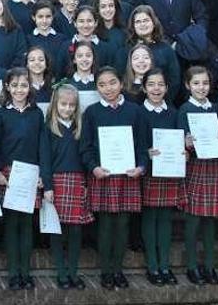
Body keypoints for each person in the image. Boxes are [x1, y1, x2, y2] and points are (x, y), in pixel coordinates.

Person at [80, 66, 147, 291]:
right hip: (103, 176)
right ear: (96, 88)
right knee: (106, 224)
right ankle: (106, 271)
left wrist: (141, 166)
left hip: (128, 175)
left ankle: (118, 270)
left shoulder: (135, 111)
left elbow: (142, 144)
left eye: (112, 82)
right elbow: (86, 147)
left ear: (121, 83)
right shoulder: (91, 112)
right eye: (101, 84)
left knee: (123, 224)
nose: (107, 88)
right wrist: (93, 167)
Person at [0, 68, 50, 290]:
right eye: (14, 85)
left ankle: (25, 272)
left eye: (24, 85)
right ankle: (13, 272)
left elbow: (43, 147)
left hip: (30, 174)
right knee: (11, 224)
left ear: (30, 87)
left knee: (26, 224)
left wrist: (43, 175)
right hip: (8, 174)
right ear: (7, 87)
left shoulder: (37, 114)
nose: (19, 90)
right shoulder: (0, 114)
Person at [177, 65, 218, 286]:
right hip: (194, 167)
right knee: (193, 219)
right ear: (188, 85)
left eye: (205, 83)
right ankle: (192, 266)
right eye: (196, 83)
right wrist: (185, 144)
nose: (201, 87)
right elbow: (179, 142)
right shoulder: (184, 110)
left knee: (210, 219)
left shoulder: (216, 108)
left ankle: (210, 265)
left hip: (213, 165)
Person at [139, 68, 184, 286]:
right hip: (149, 172)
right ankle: (152, 265)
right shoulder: (139, 113)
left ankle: (165, 265)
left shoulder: (174, 113)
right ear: (144, 87)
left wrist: (184, 151)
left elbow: (180, 139)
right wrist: (144, 153)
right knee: (150, 218)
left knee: (165, 218)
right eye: (151, 84)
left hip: (169, 171)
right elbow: (135, 142)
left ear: (167, 88)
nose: (156, 88)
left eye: (160, 84)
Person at [47, 84, 93, 290]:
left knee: (75, 229)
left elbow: (86, 157)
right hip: (56, 181)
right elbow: (45, 159)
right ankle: (61, 272)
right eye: (63, 104)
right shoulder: (49, 127)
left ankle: (73, 272)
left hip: (77, 181)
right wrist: (47, 185)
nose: (67, 109)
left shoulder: (80, 128)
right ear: (55, 104)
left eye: (71, 106)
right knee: (57, 230)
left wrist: (86, 183)